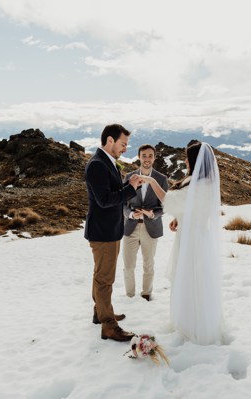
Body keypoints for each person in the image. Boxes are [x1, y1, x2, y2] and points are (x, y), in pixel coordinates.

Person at [162, 141, 230, 345]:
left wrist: (151, 181)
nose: (184, 160)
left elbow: (171, 201)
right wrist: (178, 219)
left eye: (186, 157)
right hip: (190, 234)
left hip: (194, 238)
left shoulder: (201, 185)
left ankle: (194, 324)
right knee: (187, 276)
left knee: (193, 277)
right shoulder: (200, 182)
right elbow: (189, 208)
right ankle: (186, 318)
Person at [83, 123, 141, 342]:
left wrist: (129, 184)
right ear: (110, 141)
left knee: (101, 275)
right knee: (104, 279)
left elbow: (112, 192)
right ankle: (108, 325)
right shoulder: (97, 165)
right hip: (103, 231)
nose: (125, 148)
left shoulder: (109, 162)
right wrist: (130, 189)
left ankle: (100, 313)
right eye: (123, 144)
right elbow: (105, 200)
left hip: (110, 230)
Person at [122, 144, 170, 302]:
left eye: (150, 156)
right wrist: (130, 215)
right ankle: (130, 296)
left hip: (151, 227)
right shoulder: (129, 177)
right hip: (131, 227)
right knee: (128, 266)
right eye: (144, 156)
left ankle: (146, 295)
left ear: (154, 158)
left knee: (148, 265)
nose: (147, 159)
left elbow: (166, 204)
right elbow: (122, 203)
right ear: (139, 157)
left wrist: (153, 213)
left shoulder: (161, 179)